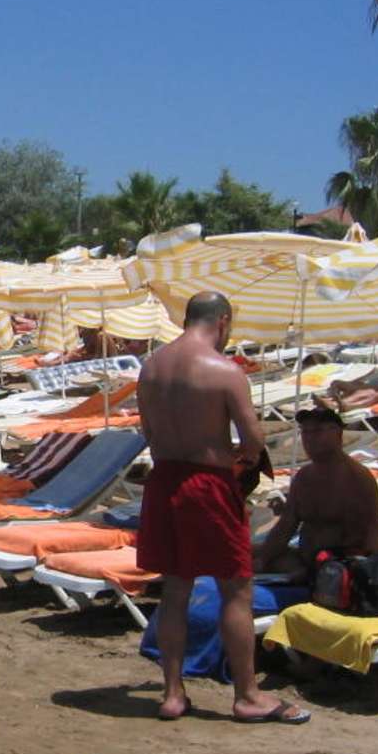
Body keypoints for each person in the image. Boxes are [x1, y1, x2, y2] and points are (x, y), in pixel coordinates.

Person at [136, 291, 310, 724]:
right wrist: (242, 457)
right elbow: (253, 440)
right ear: (223, 322)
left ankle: (172, 693)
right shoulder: (224, 371)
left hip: (164, 480)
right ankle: (248, 695)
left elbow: (148, 431)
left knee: (175, 588)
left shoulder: (151, 367)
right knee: (235, 588)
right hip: (207, 484)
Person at [252, 407, 378, 582]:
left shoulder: (356, 479)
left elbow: (368, 539)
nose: (309, 438)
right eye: (305, 432)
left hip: (340, 566)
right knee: (241, 552)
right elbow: (286, 526)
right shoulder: (304, 477)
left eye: (317, 431)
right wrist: (263, 559)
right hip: (304, 559)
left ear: (337, 433)